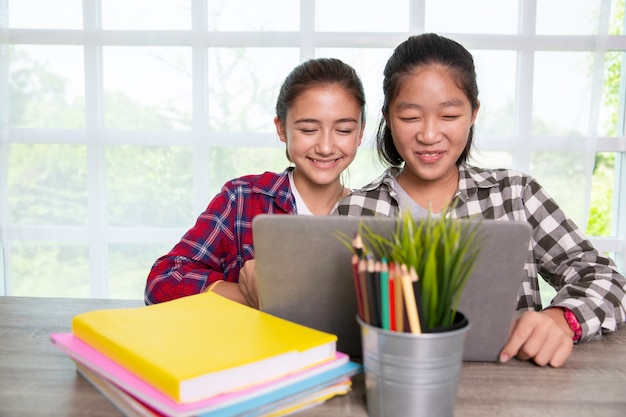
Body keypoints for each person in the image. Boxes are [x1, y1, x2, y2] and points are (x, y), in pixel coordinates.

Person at [333, 33, 626, 367]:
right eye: (411, 117)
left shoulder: (514, 194)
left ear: (473, 113)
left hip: (513, 383)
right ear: (387, 117)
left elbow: (604, 276)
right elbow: (331, 317)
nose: (429, 135)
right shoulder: (353, 211)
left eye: (449, 116)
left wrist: (563, 319)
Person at [146, 57, 366, 308]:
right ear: (281, 128)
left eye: (344, 130)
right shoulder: (242, 198)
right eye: (308, 130)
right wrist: (249, 295)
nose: (326, 147)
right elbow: (162, 281)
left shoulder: (373, 211)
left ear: (360, 132)